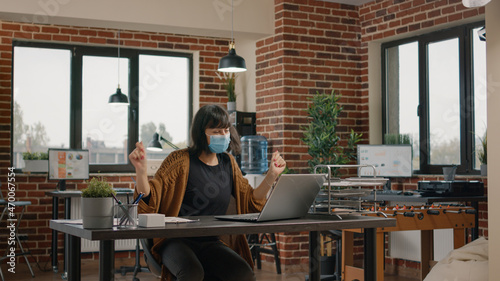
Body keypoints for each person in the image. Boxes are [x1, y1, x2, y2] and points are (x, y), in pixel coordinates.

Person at [129, 104, 286, 281]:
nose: (224, 135)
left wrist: (272, 175)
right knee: (193, 274)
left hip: (210, 241)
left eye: (226, 130)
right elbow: (150, 198)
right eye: (217, 131)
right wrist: (141, 172)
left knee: (243, 273)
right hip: (176, 240)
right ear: (201, 132)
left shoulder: (228, 163)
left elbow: (250, 200)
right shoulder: (180, 160)